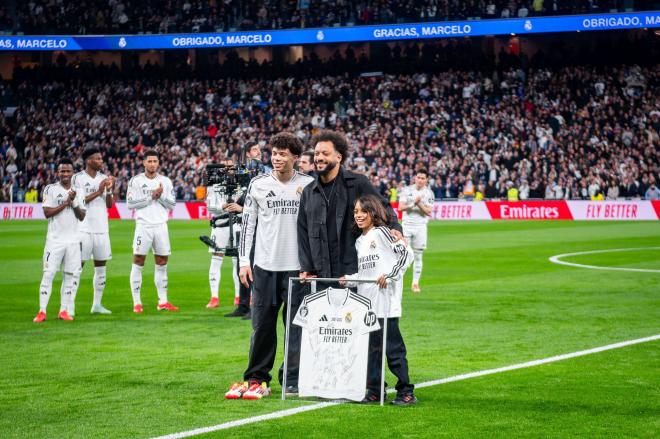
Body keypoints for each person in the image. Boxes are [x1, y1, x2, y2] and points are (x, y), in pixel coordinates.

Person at [225, 132, 314, 400]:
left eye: (283, 154)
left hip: (298, 268)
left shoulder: (309, 185)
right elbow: (248, 225)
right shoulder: (258, 184)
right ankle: (256, 377)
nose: (276, 158)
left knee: (295, 326)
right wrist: (244, 262)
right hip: (264, 266)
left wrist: (312, 265)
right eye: (274, 153)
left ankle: (292, 377)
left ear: (295, 158)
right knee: (262, 325)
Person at [298, 129, 402, 285]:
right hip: (320, 275)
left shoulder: (358, 183)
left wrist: (395, 227)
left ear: (339, 157)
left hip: (352, 274)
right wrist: (306, 266)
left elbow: (382, 207)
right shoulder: (308, 192)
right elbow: (302, 231)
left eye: (325, 154)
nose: (319, 158)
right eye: (317, 154)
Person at [340, 194, 416, 405]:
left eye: (363, 211)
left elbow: (406, 254)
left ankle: (406, 392)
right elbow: (368, 274)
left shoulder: (382, 233)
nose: (359, 215)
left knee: (393, 350)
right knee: (371, 351)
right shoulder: (359, 242)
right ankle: (375, 391)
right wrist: (349, 280)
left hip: (386, 305)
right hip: (368, 307)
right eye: (355, 212)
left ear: (373, 213)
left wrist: (390, 276)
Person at [33, 158, 86, 323]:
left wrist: (75, 201)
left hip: (73, 242)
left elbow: (82, 216)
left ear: (72, 173)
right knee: (48, 274)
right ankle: (42, 311)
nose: (65, 174)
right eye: (62, 171)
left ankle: (63, 310)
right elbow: (47, 213)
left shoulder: (79, 191)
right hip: (54, 241)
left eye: (68, 171)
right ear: (58, 172)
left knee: (69, 276)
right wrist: (66, 202)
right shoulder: (50, 189)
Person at [127, 150, 178, 313]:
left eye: (155, 161)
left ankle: (162, 301)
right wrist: (151, 197)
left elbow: (172, 205)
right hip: (144, 226)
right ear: (144, 163)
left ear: (158, 163)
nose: (152, 164)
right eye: (149, 161)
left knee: (162, 262)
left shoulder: (165, 181)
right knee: (138, 260)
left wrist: (160, 196)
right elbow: (130, 204)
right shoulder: (135, 181)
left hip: (161, 226)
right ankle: (137, 302)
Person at [71, 147, 115, 316]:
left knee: (101, 268)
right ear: (89, 161)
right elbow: (78, 201)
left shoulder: (104, 178)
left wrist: (110, 189)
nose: (101, 161)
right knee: (76, 268)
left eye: (101, 158)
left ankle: (97, 305)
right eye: (97, 159)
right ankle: (69, 305)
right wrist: (99, 190)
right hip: (83, 229)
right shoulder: (78, 178)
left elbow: (109, 204)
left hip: (102, 229)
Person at [205, 159, 241, 310]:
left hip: (237, 224)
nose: (227, 169)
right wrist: (223, 206)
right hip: (220, 225)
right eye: (224, 166)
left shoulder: (241, 184)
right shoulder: (213, 185)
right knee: (216, 259)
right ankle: (214, 297)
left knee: (237, 261)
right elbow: (210, 207)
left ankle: (239, 297)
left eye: (230, 166)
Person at [397, 168, 434, 293]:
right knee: (403, 254)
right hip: (407, 225)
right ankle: (398, 281)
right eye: (418, 177)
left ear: (426, 180)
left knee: (418, 255)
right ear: (415, 178)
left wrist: (419, 204)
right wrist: (414, 203)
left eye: (423, 178)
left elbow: (429, 212)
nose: (420, 180)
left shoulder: (429, 193)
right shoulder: (406, 190)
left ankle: (415, 283)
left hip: (420, 227)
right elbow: (401, 208)